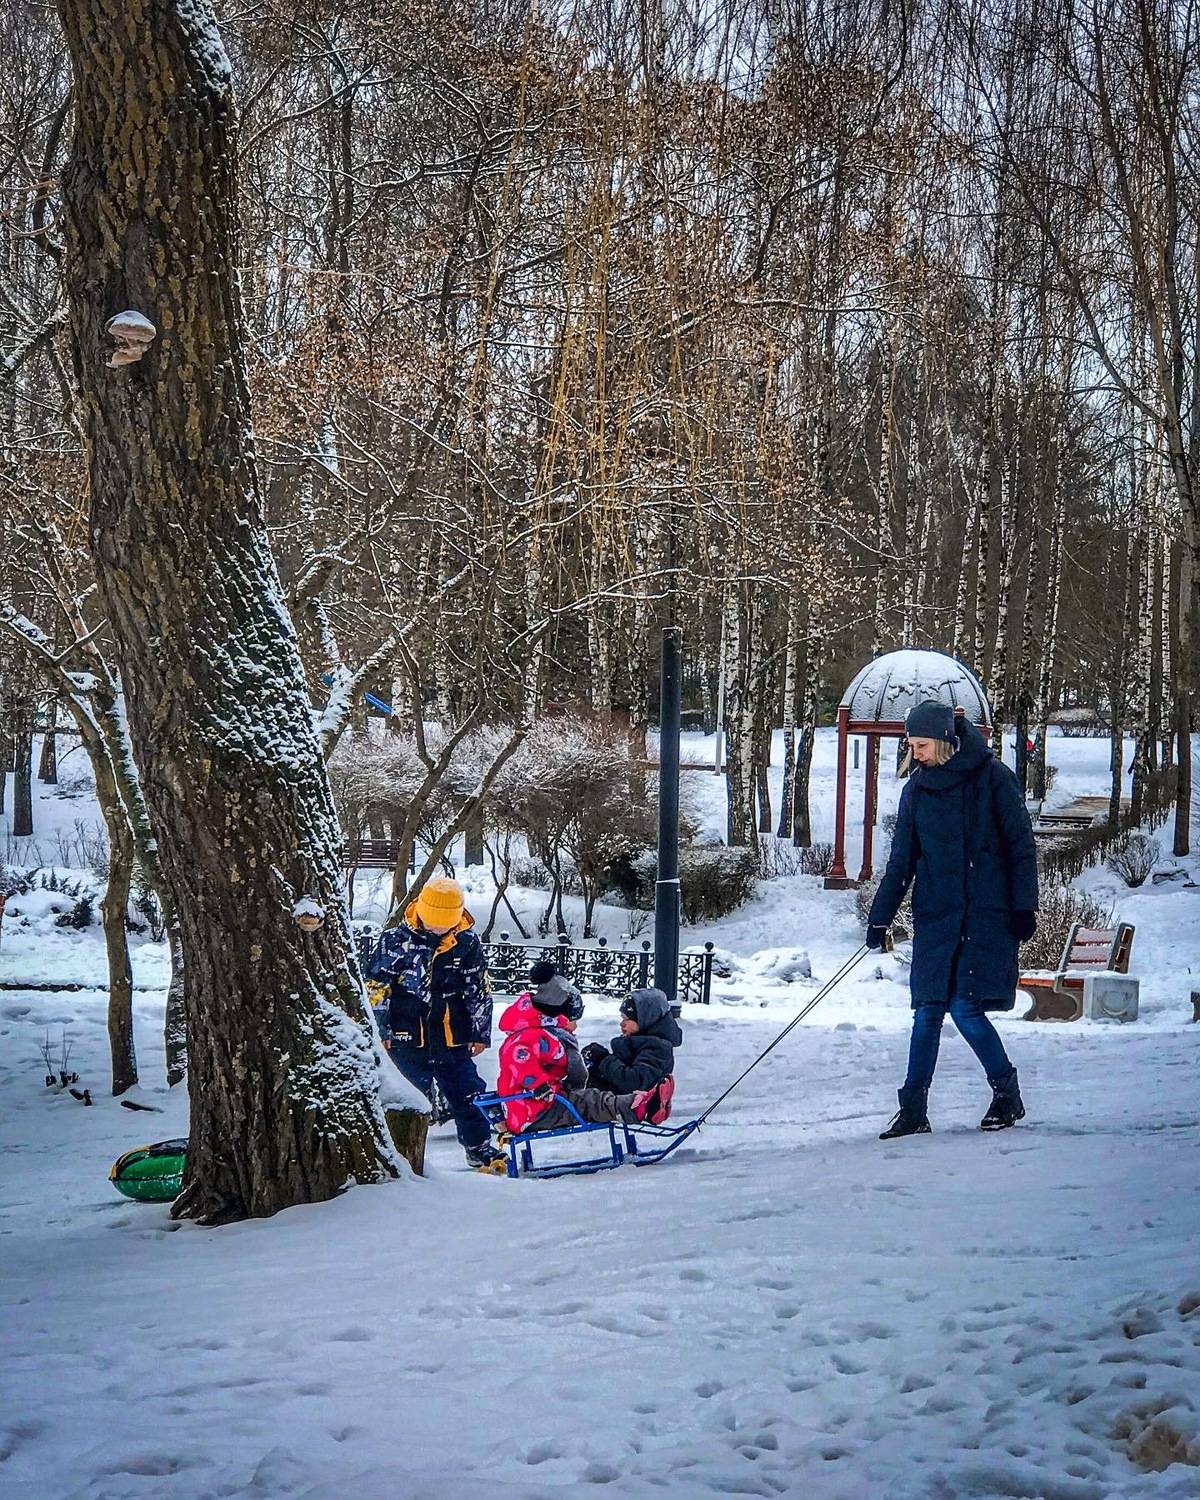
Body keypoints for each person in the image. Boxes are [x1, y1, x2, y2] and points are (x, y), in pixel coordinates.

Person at [866, 701, 1038, 1139]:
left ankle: (1006, 1093)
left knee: (964, 1007)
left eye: (922, 745)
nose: (915, 753)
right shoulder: (917, 790)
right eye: (911, 745)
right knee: (927, 1011)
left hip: (986, 916)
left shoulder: (993, 778)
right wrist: (880, 917)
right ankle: (913, 1111)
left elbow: (1021, 847)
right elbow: (901, 862)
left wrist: (1024, 907)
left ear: (944, 740)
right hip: (937, 917)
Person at [366, 876, 506, 1172]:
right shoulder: (395, 940)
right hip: (406, 1032)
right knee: (408, 1096)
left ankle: (478, 1147)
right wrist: (381, 1029)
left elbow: (478, 988)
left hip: (451, 1031)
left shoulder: (466, 941)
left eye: (444, 925)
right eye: (432, 924)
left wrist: (479, 1031)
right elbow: (377, 986)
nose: (438, 930)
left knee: (468, 1091)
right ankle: (398, 1153)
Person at [497, 965, 671, 1131]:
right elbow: (518, 1059)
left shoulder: (541, 1033)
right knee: (589, 1102)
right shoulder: (529, 1037)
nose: (574, 1026)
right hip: (535, 1111)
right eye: (572, 1020)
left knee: (589, 1097)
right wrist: (539, 1086)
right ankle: (637, 1107)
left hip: (539, 1105)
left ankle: (636, 1102)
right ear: (557, 1015)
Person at [582, 987, 681, 1108]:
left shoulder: (658, 1048)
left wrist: (603, 1059)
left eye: (627, 1019)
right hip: (615, 1100)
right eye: (622, 1018)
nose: (622, 1023)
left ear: (646, 1019)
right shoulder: (638, 1040)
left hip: (630, 1106)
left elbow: (633, 1082)